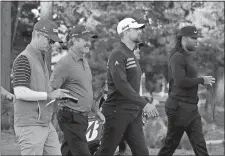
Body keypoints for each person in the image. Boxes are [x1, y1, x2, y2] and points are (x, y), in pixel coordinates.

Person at [94, 17, 159, 156]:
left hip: (133, 113)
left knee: (142, 153)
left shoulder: (131, 54)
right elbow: (121, 85)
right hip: (116, 112)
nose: (139, 31)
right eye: (136, 29)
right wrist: (145, 104)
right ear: (126, 32)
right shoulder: (118, 54)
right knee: (106, 152)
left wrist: (140, 106)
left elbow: (133, 85)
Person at [12, 19, 69, 155]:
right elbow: (19, 92)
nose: (51, 44)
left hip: (44, 123)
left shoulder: (40, 58)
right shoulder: (24, 59)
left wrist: (56, 95)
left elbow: (40, 90)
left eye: (52, 42)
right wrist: (49, 95)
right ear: (37, 34)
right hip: (30, 124)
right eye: (49, 40)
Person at [157, 26, 215, 156]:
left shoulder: (188, 56)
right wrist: (201, 80)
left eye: (197, 38)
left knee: (200, 146)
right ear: (184, 39)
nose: (196, 41)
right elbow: (180, 81)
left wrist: (202, 82)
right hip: (178, 107)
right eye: (193, 38)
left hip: (191, 108)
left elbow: (188, 80)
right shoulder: (177, 57)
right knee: (170, 146)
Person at [49, 25, 105, 156]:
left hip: (81, 118)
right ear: (74, 40)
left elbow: (85, 90)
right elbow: (50, 90)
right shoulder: (64, 63)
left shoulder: (84, 61)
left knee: (68, 152)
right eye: (85, 39)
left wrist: (95, 110)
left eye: (90, 40)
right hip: (70, 117)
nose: (89, 43)